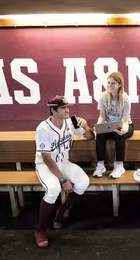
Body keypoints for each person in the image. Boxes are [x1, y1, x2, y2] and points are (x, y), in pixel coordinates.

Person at [34, 95, 95, 248]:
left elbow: (90, 137)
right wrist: (62, 179)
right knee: (54, 189)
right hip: (46, 166)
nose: (67, 110)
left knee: (83, 182)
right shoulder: (43, 128)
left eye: (68, 107)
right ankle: (40, 230)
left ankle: (61, 212)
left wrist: (86, 126)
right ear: (53, 110)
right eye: (63, 108)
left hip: (63, 162)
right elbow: (47, 158)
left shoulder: (71, 122)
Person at [93, 71, 135, 179]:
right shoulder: (103, 97)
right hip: (110, 126)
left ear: (119, 84)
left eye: (113, 83)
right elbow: (102, 117)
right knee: (100, 133)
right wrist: (98, 127)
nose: (109, 86)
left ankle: (119, 166)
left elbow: (125, 120)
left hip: (125, 125)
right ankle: (100, 165)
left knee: (119, 133)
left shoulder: (125, 99)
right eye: (108, 83)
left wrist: (124, 129)